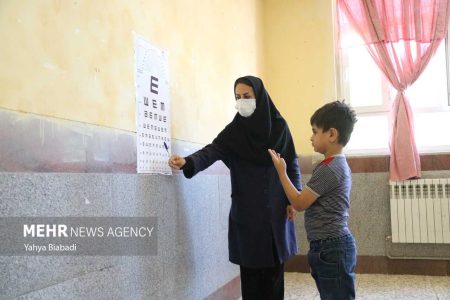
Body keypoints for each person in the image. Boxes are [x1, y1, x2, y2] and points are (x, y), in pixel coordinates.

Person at [168, 75, 302, 300]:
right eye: (238, 97)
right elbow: (213, 150)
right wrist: (188, 162)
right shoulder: (235, 131)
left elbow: (293, 164)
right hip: (247, 214)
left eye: (247, 97)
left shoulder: (279, 127)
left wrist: (293, 199)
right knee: (250, 279)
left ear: (259, 97)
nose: (242, 102)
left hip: (276, 211)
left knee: (273, 277)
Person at [268, 100, 358, 300]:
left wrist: (282, 172)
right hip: (329, 246)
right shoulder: (333, 165)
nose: (311, 137)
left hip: (331, 247)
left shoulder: (329, 168)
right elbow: (308, 200)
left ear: (332, 134)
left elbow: (300, 203)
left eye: (315, 131)